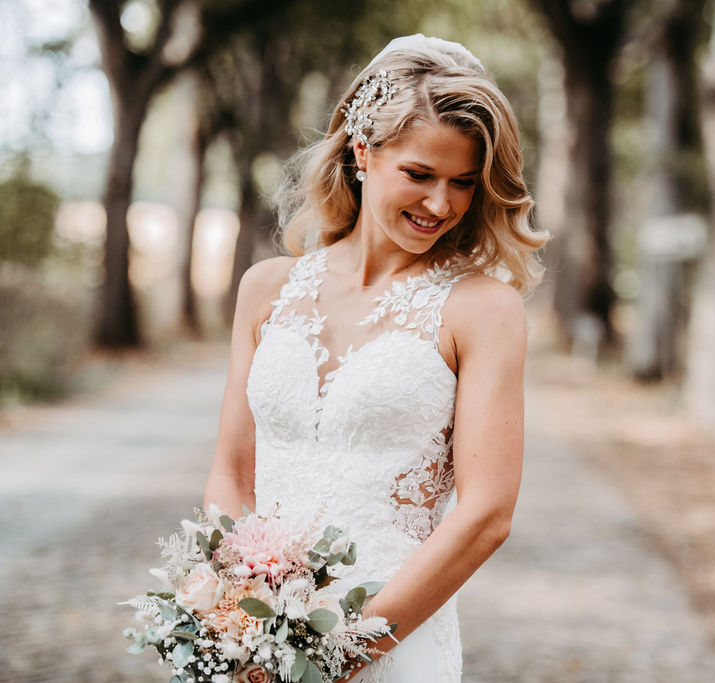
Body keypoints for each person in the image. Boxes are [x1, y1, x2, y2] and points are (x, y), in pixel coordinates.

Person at [202, 34, 548, 682]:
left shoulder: (482, 310)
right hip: (257, 646)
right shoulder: (267, 287)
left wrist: (333, 654)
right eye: (419, 175)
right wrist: (240, 613)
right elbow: (231, 471)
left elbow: (486, 516)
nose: (440, 204)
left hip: (393, 642)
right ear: (363, 153)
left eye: (463, 183)